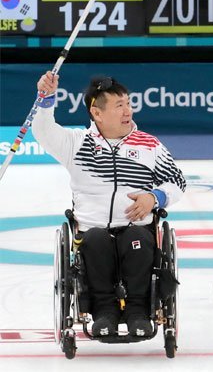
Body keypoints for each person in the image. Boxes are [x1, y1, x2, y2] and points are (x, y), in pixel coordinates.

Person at [32, 73, 186, 337]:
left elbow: (177, 181)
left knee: (138, 237)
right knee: (95, 240)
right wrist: (45, 98)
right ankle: (104, 312)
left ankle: (138, 311)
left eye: (128, 103)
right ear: (97, 113)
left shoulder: (150, 145)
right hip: (93, 232)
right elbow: (44, 132)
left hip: (137, 229)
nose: (128, 111)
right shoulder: (78, 144)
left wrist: (155, 197)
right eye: (119, 105)